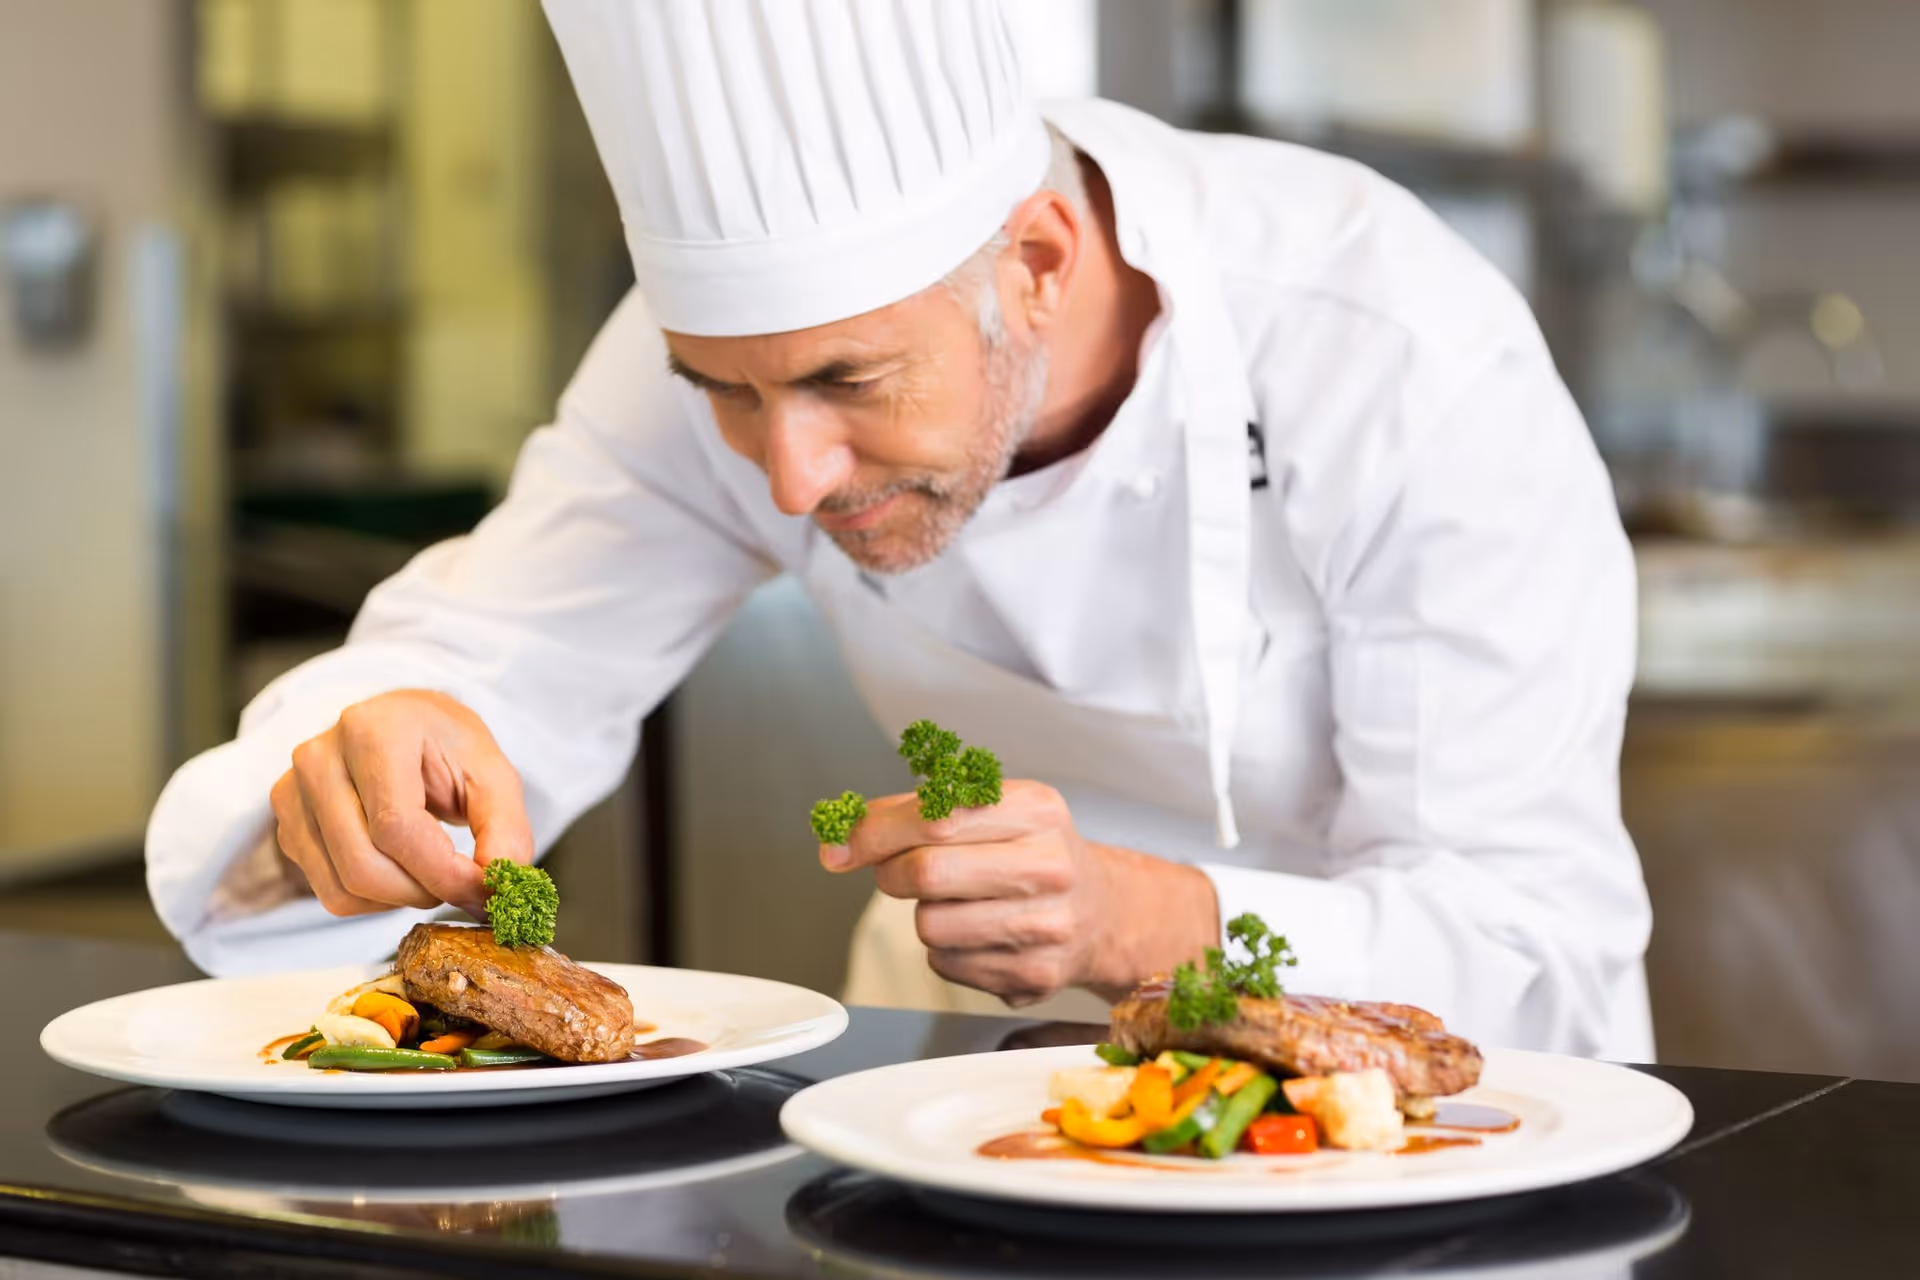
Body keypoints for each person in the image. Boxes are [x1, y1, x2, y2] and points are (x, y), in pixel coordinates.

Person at [146, 0, 1652, 1057]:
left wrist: (1146, 918)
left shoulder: (1392, 346)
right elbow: (498, 652)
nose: (789, 473)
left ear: (1043, 261)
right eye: (726, 394)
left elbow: (1532, 943)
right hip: (951, 1099)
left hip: (1404, 1159)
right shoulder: (727, 363)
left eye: (847, 382)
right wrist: (371, 746)